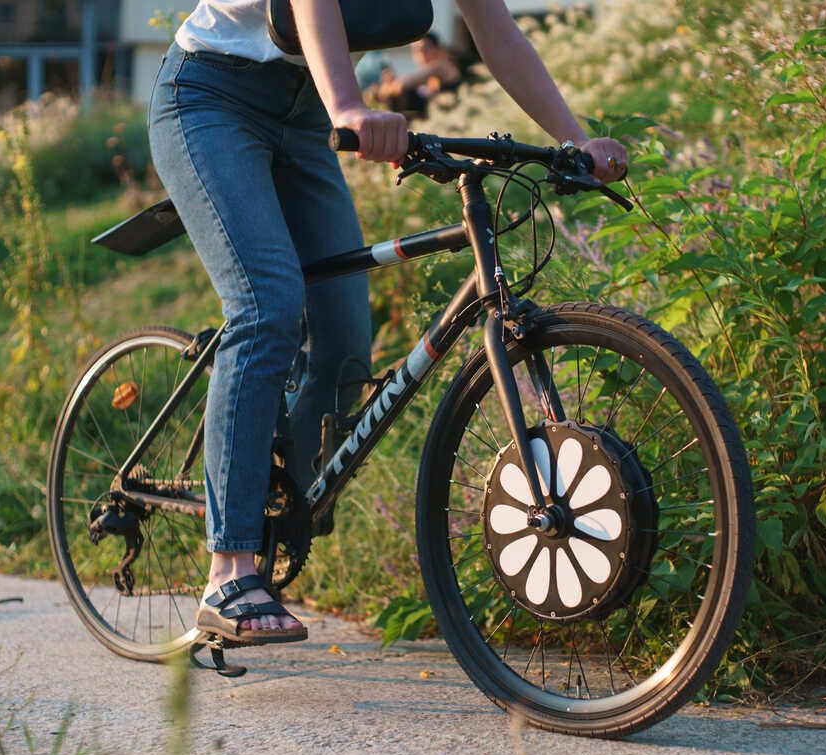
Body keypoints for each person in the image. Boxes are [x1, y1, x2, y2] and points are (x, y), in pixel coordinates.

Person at [148, 0, 627, 645]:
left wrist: (573, 138)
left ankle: (277, 498)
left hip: (306, 110)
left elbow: (496, 31)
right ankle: (229, 569)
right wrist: (350, 106)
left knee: (345, 342)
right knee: (266, 307)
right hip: (210, 95)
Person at [373, 32, 462, 117]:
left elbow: (403, 85)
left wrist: (388, 87)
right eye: (416, 51)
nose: (421, 54)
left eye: (425, 49)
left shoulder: (441, 66)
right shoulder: (428, 78)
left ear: (437, 49)